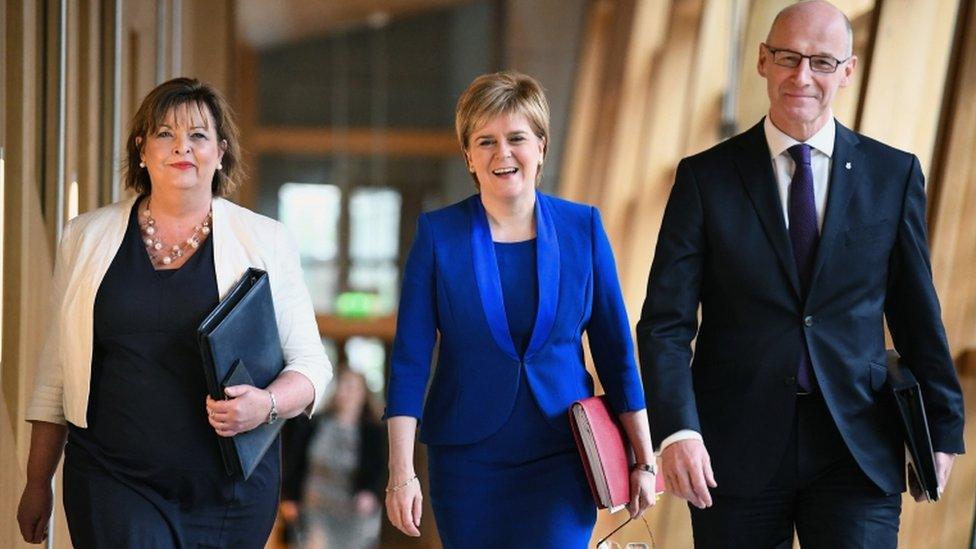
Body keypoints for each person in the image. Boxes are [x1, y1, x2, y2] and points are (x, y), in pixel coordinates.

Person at [636, 1, 965, 547]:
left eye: (822, 62)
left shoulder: (893, 175)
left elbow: (916, 313)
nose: (802, 76)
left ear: (848, 71)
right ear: (763, 61)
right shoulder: (705, 179)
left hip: (857, 445)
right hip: (732, 449)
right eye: (788, 57)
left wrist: (944, 425)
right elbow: (665, 325)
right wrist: (678, 429)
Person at [16, 77, 332, 548]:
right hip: (114, 478)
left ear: (220, 152)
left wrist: (263, 406)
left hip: (229, 490)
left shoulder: (264, 240)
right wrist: (37, 481)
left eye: (198, 135)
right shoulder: (85, 237)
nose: (182, 147)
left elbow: (310, 366)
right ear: (142, 149)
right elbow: (57, 371)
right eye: (165, 133)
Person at [383, 71, 656, 548]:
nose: (502, 153)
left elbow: (616, 352)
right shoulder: (438, 236)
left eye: (516, 138)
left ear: (541, 147)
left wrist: (643, 459)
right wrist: (401, 472)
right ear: (468, 155)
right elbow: (409, 361)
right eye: (485, 141)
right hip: (467, 465)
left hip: (563, 456)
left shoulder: (583, 229)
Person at [281, 368, 386, 549]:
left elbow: (379, 467)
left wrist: (369, 492)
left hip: (352, 510)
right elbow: (295, 460)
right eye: (343, 386)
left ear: (363, 394)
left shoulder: (372, 431)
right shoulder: (314, 423)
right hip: (315, 505)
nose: (346, 392)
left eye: (352, 387)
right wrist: (290, 496)